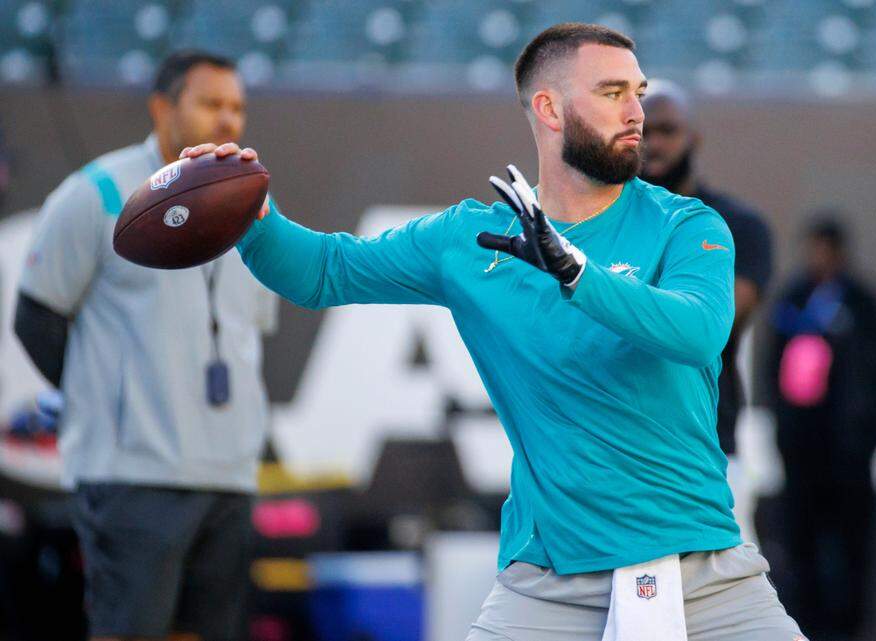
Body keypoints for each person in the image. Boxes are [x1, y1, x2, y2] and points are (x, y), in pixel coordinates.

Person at [185, 23, 804, 641]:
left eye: (638, 92)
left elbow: (698, 332)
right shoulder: (470, 240)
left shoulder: (687, 223)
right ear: (549, 107)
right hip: (550, 581)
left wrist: (575, 271)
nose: (637, 111)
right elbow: (322, 273)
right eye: (614, 92)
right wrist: (249, 212)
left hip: (707, 575)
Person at [13, 51, 278, 641]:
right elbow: (37, 316)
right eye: (211, 104)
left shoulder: (255, 205)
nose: (229, 120)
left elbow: (250, 334)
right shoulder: (97, 193)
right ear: (163, 107)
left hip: (229, 472)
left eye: (237, 106)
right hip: (134, 471)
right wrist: (105, 402)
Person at [638, 80, 774, 543]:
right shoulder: (609, 222)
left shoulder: (740, 225)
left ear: (693, 137)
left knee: (728, 601)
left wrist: (612, 296)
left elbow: (710, 324)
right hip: (627, 444)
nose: (653, 143)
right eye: (642, 130)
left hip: (709, 440)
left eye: (666, 130)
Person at [763, 215, 876, 640]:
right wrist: (780, 426)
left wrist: (868, 434)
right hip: (801, 444)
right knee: (800, 539)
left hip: (849, 447)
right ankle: (804, 621)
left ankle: (850, 624)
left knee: (853, 540)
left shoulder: (862, 302)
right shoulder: (793, 298)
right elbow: (771, 364)